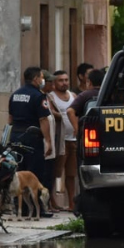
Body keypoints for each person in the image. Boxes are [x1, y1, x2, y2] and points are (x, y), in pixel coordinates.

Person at [8, 66, 54, 217]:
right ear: (35, 79)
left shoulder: (15, 95)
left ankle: (20, 208)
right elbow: (43, 120)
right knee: (34, 173)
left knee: (19, 172)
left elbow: (10, 119)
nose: (43, 80)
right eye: (41, 77)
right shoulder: (39, 96)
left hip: (15, 136)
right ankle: (38, 209)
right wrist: (48, 141)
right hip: (32, 137)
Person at [46, 70, 77, 212]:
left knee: (71, 174)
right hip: (61, 141)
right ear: (54, 83)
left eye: (66, 80)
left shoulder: (73, 96)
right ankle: (51, 201)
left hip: (74, 140)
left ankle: (72, 203)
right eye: (60, 80)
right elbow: (51, 114)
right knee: (54, 173)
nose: (64, 83)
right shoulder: (50, 97)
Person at [68, 67, 105, 138]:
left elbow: (70, 111)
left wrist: (77, 129)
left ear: (89, 82)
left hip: (89, 132)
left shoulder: (85, 95)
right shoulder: (109, 94)